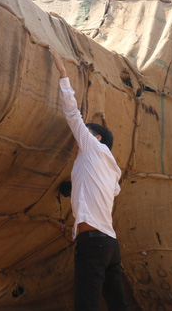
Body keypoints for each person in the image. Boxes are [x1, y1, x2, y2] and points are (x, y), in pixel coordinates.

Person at [48, 45, 128, 311]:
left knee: (87, 305)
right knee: (117, 304)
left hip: (93, 244)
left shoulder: (92, 146)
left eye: (83, 134)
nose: (76, 138)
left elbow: (72, 114)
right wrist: (75, 187)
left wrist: (62, 71)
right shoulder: (110, 167)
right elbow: (111, 191)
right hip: (110, 246)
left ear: (96, 138)